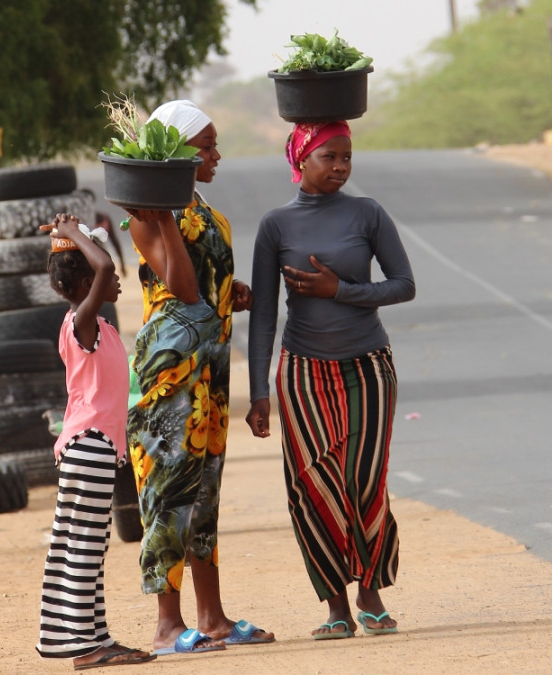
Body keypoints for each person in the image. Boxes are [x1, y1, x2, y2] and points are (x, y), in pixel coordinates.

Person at [245, 120, 416, 640]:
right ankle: (336, 606)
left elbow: (404, 285)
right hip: (303, 374)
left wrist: (339, 289)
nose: (341, 166)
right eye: (329, 157)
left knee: (365, 482)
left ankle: (371, 592)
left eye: (346, 157)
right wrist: (258, 392)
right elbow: (264, 316)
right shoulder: (276, 226)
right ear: (301, 159)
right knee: (313, 483)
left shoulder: (368, 214)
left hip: (368, 369)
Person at [125, 99, 274, 655]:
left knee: (205, 492)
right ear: (177, 155)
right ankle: (167, 627)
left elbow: (203, 283)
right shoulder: (147, 214)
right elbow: (182, 290)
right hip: (171, 374)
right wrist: (163, 209)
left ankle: (212, 617)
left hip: (210, 370)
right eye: (206, 146)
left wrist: (229, 292)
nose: (216, 154)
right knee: (169, 492)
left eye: (214, 144)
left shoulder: (202, 206)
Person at [35, 212, 155, 669]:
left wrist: (79, 235)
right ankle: (85, 647)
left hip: (93, 448)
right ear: (87, 284)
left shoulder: (99, 328)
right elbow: (105, 268)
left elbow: (102, 268)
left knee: (84, 543)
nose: (116, 278)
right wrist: (71, 236)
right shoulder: (78, 325)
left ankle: (89, 637)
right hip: (90, 447)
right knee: (84, 546)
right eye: (106, 274)